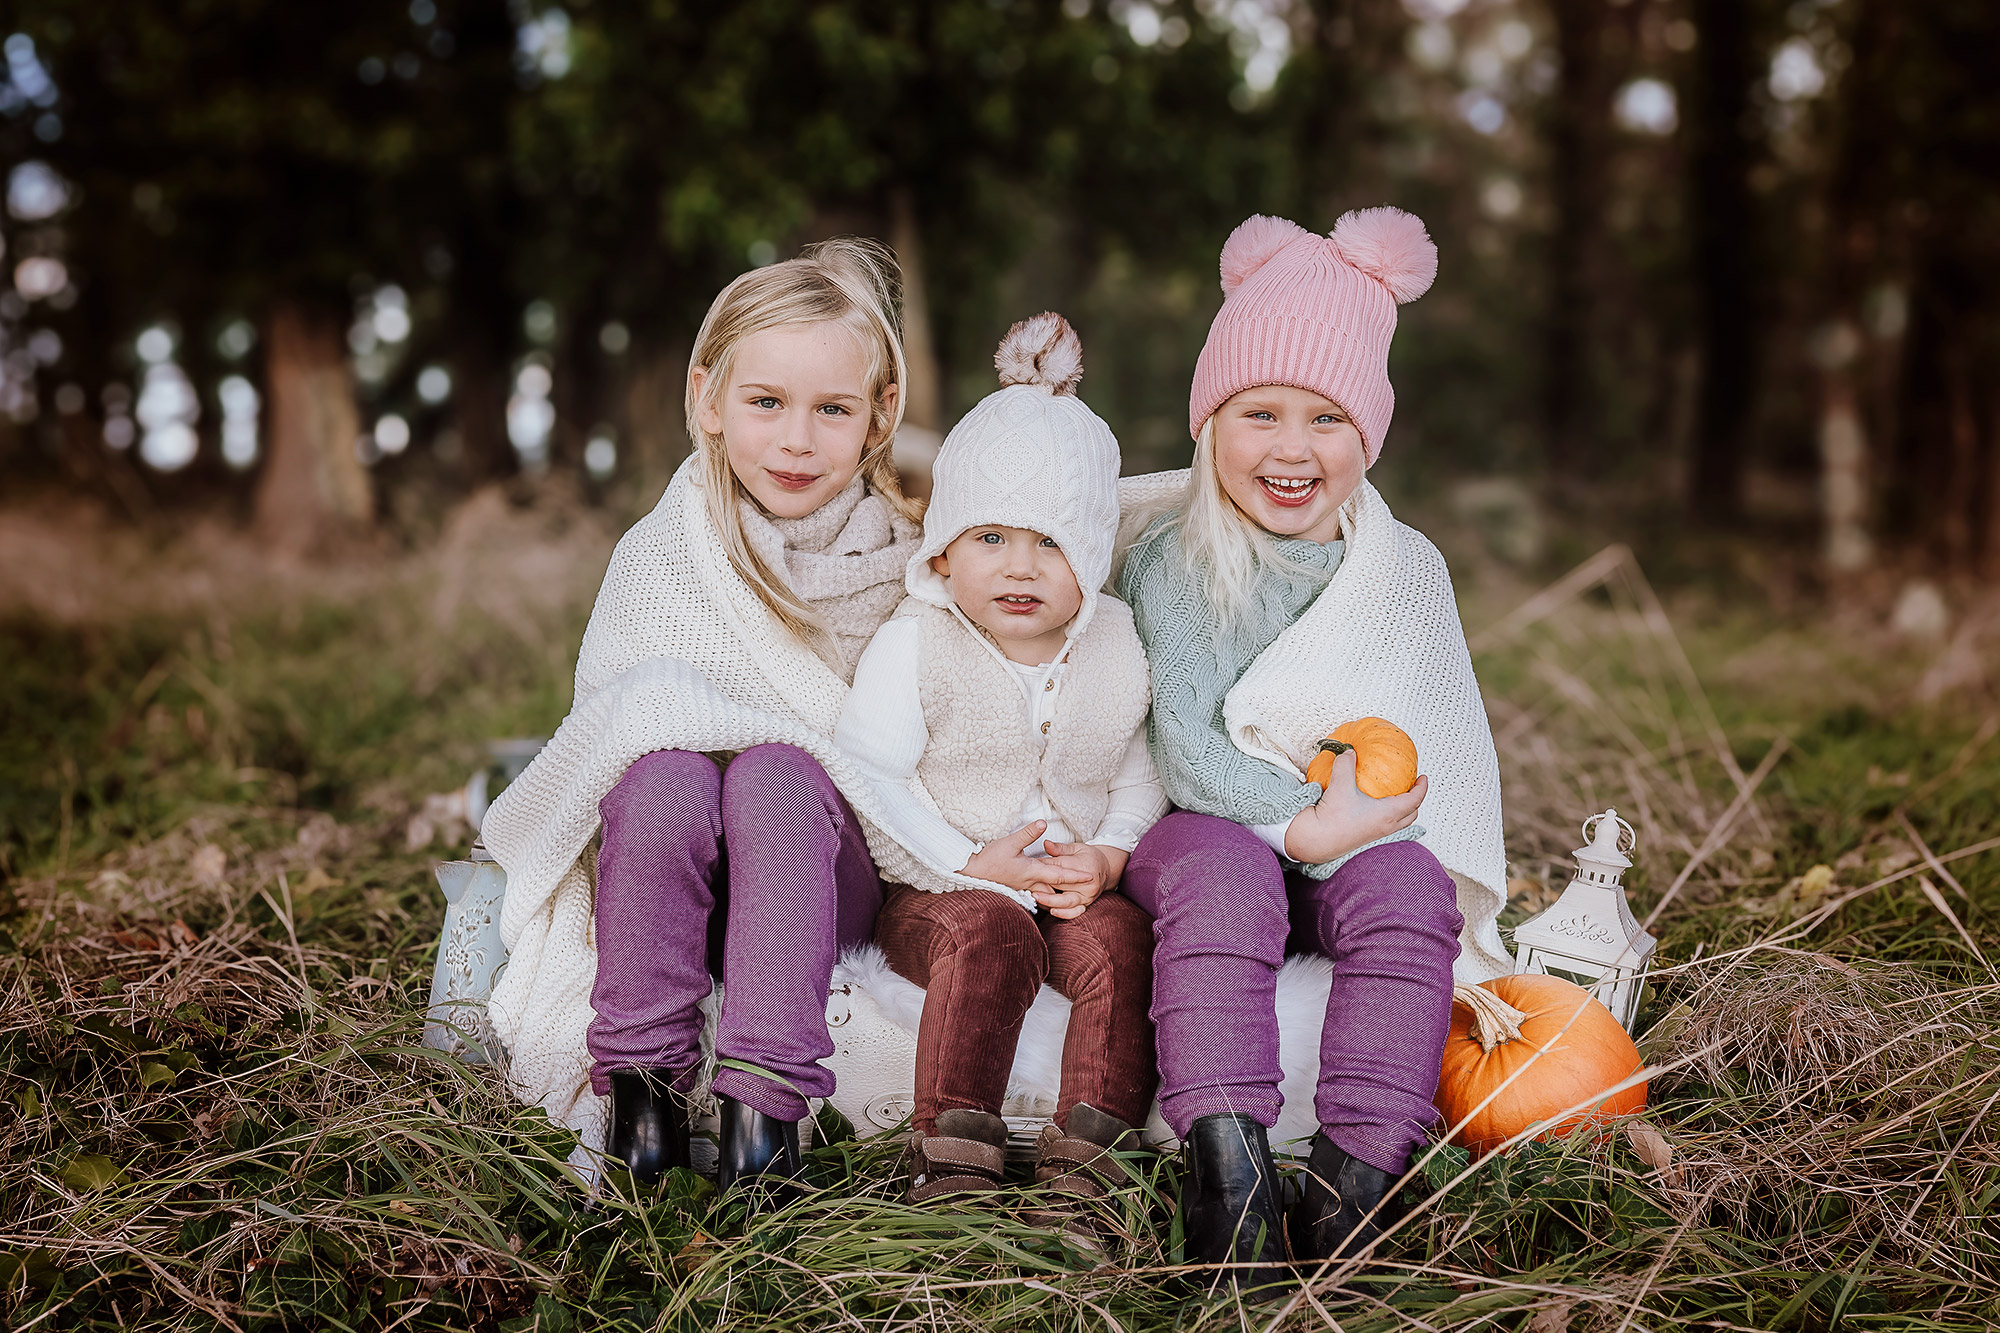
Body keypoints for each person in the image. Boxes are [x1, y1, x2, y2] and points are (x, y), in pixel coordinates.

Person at [479, 239, 997, 1210]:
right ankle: (643, 1103)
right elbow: (609, 731)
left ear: (878, 416)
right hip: (667, 894)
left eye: (831, 409)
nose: (796, 440)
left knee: (777, 772)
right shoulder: (661, 557)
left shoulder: (916, 566)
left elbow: (946, 741)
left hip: (823, 889)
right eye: (765, 402)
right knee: (659, 771)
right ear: (707, 400)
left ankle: (765, 1119)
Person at [1116, 210, 1513, 1281]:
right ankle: (1228, 1167)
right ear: (1209, 422)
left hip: (1346, 830)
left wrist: (1355, 830)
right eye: (1259, 413)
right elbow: (1185, 746)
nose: (1291, 450)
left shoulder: (1399, 571)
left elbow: (1428, 737)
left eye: (1326, 419)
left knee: (1408, 891)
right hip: (1196, 829)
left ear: (1368, 436)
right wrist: (1299, 821)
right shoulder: (1174, 560)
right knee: (1226, 877)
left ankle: (1355, 1175)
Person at [834, 314, 1162, 1231]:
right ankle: (954, 1159)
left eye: (1052, 544)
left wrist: (1107, 857)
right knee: (990, 934)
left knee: (1118, 944)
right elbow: (870, 775)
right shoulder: (917, 642)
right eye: (991, 538)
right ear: (942, 548)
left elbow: (1140, 775)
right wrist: (967, 860)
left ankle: (1088, 1167)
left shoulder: (1115, 645)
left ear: (1093, 557)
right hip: (939, 889)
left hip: (1069, 887)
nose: (1020, 567)